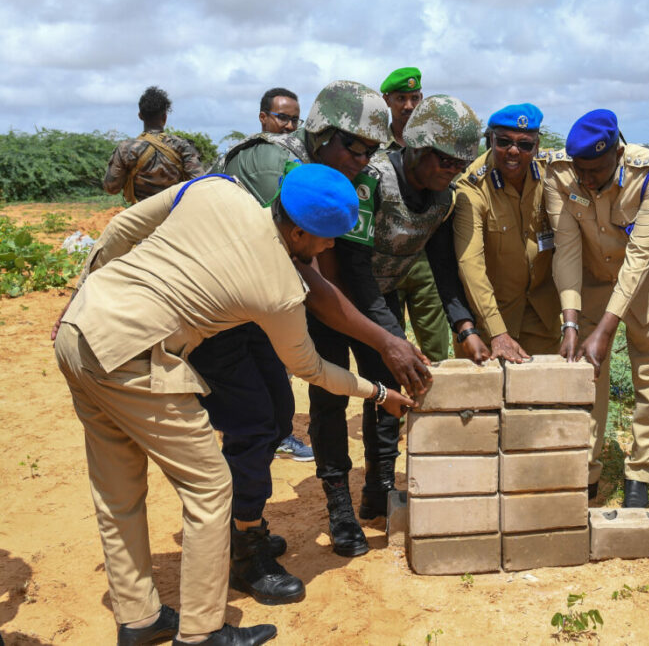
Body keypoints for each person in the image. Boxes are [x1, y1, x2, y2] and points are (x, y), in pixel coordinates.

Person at [53, 166, 413, 646]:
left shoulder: (215, 190)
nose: (327, 250)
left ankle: (138, 618)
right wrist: (381, 394)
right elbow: (313, 369)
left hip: (80, 330)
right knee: (210, 489)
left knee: (118, 493)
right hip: (133, 359)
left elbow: (121, 229)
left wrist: (84, 289)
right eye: (325, 240)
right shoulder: (279, 290)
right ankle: (201, 632)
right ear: (299, 231)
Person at [190, 81, 430, 601]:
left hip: (271, 310)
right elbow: (313, 280)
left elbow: (348, 262)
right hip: (220, 318)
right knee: (260, 425)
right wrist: (386, 339)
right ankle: (246, 549)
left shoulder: (341, 176)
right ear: (320, 134)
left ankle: (246, 529)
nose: (362, 162)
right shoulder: (272, 166)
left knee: (276, 419)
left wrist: (387, 337)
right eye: (354, 148)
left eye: (370, 151)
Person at [312, 94, 488, 549]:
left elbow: (442, 267)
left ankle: (380, 487)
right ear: (415, 145)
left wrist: (463, 326)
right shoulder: (371, 182)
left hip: (380, 302)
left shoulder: (442, 199)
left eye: (459, 164)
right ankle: (339, 507)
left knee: (390, 392)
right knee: (331, 400)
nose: (450, 170)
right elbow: (351, 267)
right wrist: (392, 337)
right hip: (332, 302)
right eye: (444, 160)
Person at [545, 109, 649, 507]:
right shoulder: (559, 173)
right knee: (587, 373)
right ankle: (586, 469)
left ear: (618, 152)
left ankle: (639, 473)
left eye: (595, 171)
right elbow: (567, 250)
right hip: (595, 275)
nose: (587, 180)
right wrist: (571, 323)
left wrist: (605, 331)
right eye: (581, 170)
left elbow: (641, 255)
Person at [453, 103, 560, 361]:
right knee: (482, 399)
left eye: (524, 145)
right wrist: (497, 332)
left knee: (543, 396)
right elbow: (470, 263)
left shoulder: (553, 174)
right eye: (504, 142)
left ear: (536, 145)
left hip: (542, 315)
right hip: (492, 317)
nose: (514, 151)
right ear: (490, 140)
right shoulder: (472, 187)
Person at [255, 86, 316, 462]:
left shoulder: (292, 158)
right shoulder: (261, 159)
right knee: (274, 358)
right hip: (262, 272)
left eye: (295, 119)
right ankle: (278, 435)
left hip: (275, 270)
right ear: (263, 117)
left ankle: (270, 431)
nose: (289, 125)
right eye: (282, 118)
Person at [380, 67, 451, 362]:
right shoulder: (373, 145)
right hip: (385, 260)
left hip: (424, 259)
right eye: (401, 98)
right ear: (387, 100)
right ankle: (382, 408)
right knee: (387, 349)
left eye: (414, 98)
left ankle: (438, 408)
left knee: (436, 349)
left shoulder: (436, 144)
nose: (408, 106)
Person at [103, 86, 204, 203]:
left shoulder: (126, 148)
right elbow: (199, 184)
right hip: (174, 214)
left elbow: (111, 188)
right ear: (165, 117)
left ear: (140, 116)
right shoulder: (182, 146)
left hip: (140, 215)